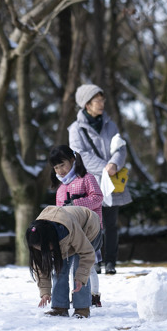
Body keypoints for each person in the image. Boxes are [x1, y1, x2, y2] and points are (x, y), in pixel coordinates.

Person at [69, 84, 131, 275]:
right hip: (90, 182)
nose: (101, 104)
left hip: (111, 181)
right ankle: (94, 259)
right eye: (97, 101)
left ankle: (111, 261)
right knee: (92, 223)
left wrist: (114, 165)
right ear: (86, 104)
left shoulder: (110, 124)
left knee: (111, 223)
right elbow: (80, 154)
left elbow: (121, 147)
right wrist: (104, 167)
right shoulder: (76, 129)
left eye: (102, 100)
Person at [48, 145, 104, 307]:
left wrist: (76, 204)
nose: (60, 170)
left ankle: (94, 296)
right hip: (69, 233)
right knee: (65, 266)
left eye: (62, 165)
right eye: (56, 167)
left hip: (89, 230)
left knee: (86, 265)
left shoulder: (86, 178)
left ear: (72, 160)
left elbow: (97, 198)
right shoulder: (61, 188)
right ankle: (64, 300)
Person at [26, 205, 102, 318]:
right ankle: (59, 307)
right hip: (64, 236)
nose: (42, 251)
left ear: (51, 240)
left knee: (79, 271)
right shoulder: (38, 234)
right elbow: (40, 266)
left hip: (88, 229)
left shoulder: (67, 229)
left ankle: (82, 309)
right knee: (59, 269)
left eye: (45, 248)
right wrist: (45, 292)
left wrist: (81, 277)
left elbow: (87, 253)